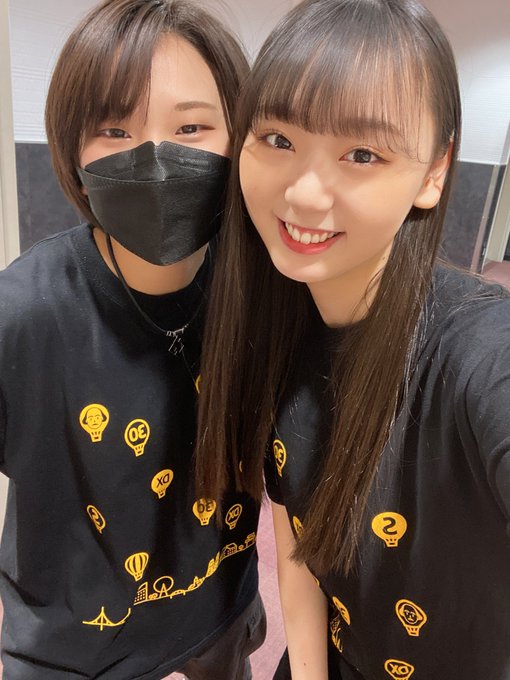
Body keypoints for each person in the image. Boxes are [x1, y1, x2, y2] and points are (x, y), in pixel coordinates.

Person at [195, 0, 510, 678]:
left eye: (362, 154)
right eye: (278, 138)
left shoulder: (477, 350)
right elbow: (301, 547)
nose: (305, 195)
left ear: (433, 173)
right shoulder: (274, 326)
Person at [0, 1, 265, 677]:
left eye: (192, 127)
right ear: (72, 146)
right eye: (115, 129)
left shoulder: (263, 294)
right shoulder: (22, 314)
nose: (154, 160)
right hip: (71, 644)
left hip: (219, 609)